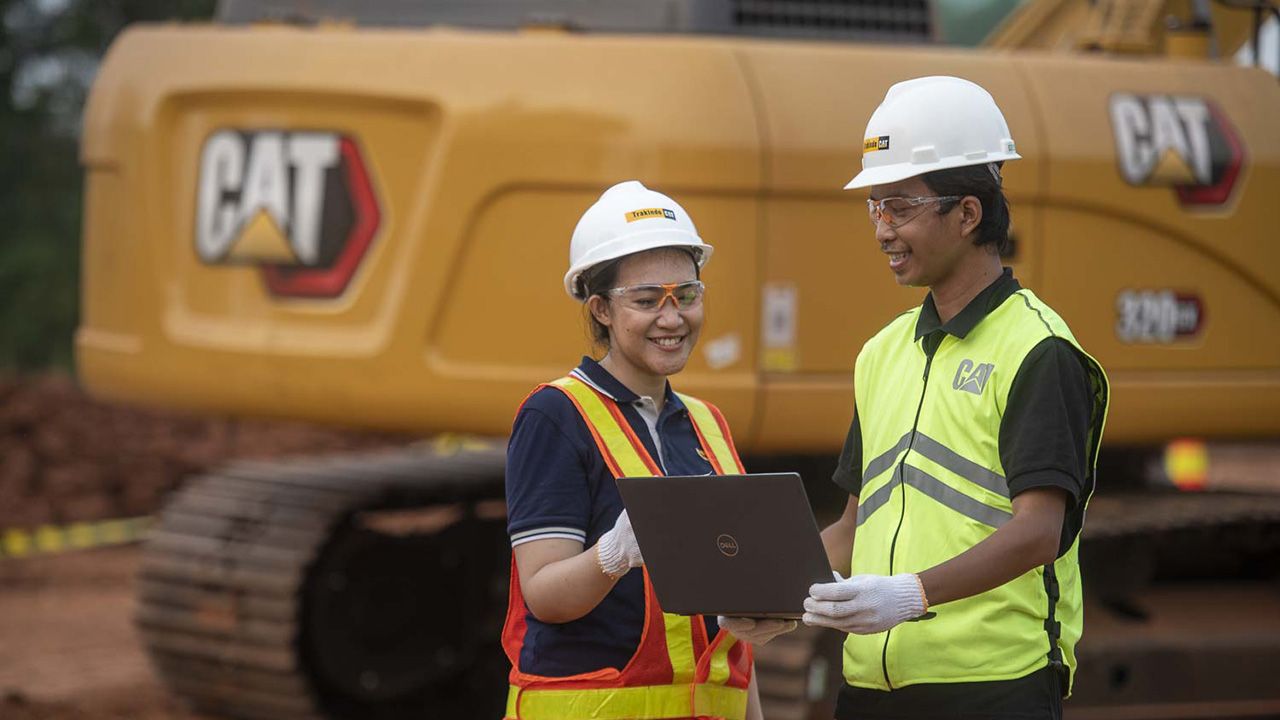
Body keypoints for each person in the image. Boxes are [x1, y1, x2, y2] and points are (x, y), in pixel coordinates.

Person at [801, 76, 1110, 720]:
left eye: (899, 207)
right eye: (874, 208)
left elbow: (1038, 532)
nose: (882, 230)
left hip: (995, 687)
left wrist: (909, 595)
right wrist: (773, 598)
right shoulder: (881, 352)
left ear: (968, 214)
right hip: (872, 689)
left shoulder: (1039, 349)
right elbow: (854, 527)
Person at [500, 180, 787, 720]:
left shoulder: (708, 425)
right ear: (601, 310)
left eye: (687, 295)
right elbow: (544, 595)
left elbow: (731, 645)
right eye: (647, 300)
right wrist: (613, 555)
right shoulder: (556, 415)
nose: (672, 318)